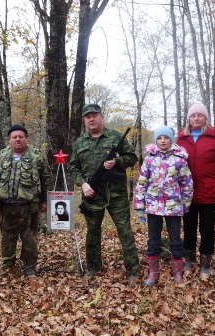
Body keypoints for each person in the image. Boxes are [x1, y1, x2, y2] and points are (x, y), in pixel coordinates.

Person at [69, 103, 139, 284]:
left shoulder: (116, 137)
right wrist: (83, 184)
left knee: (125, 232)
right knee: (92, 232)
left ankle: (132, 269)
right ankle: (93, 266)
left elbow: (132, 157)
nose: (91, 119)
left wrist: (117, 162)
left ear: (102, 117)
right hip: (92, 195)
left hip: (117, 195)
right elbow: (74, 167)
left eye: (94, 115)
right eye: (87, 117)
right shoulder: (80, 143)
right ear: (84, 120)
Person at [177, 103, 215, 279]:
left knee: (207, 228)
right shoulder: (181, 139)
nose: (196, 118)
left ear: (205, 118)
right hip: (187, 193)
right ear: (188, 118)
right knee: (189, 227)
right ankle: (188, 259)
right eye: (193, 115)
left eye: (199, 115)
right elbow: (174, 166)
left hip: (210, 192)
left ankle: (205, 263)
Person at [0, 124, 53, 276]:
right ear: (9, 140)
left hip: (30, 207)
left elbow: (47, 180)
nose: (18, 139)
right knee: (7, 240)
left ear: (26, 139)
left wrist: (45, 202)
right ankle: (8, 266)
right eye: (14, 137)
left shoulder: (37, 156)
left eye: (21, 137)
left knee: (29, 239)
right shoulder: (0, 156)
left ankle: (29, 267)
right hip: (6, 207)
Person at [134, 126, 193, 286]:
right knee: (153, 240)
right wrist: (140, 205)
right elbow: (141, 183)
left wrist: (185, 205)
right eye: (159, 138)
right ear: (156, 140)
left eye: (165, 138)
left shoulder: (180, 159)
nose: (162, 141)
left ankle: (177, 272)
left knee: (176, 240)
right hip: (153, 207)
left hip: (173, 207)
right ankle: (153, 272)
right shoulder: (149, 159)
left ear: (171, 139)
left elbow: (186, 183)